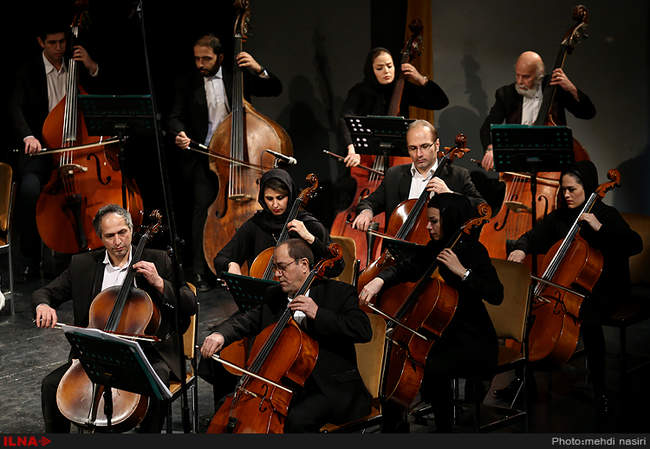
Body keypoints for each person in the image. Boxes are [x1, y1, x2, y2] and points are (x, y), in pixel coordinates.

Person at [33, 204, 197, 433]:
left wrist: (160, 283)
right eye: (110, 236)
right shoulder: (83, 265)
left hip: (147, 355)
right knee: (51, 385)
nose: (118, 241)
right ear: (100, 237)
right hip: (97, 354)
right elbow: (45, 292)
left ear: (131, 230)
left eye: (123, 232)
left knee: (155, 385)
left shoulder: (158, 260)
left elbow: (189, 303)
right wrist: (43, 305)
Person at [359, 193, 503, 432]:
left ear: (450, 220)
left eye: (434, 221)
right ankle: (395, 427)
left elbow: (496, 294)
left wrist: (463, 272)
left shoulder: (474, 251)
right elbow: (408, 267)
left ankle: (445, 430)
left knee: (432, 366)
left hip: (473, 339)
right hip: (440, 334)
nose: (427, 226)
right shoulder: (436, 247)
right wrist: (379, 280)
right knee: (393, 358)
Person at [507, 160, 642, 415]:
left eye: (572, 189)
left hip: (607, 288)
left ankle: (600, 389)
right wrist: (521, 248)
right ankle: (524, 381)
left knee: (589, 320)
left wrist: (600, 228)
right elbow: (534, 235)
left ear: (587, 188)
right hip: (572, 288)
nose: (566, 195)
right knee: (525, 311)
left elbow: (634, 244)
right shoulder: (561, 216)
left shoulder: (606, 215)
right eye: (563, 189)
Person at [200, 238, 372, 433]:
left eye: (282, 267)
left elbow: (363, 330)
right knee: (229, 409)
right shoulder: (275, 294)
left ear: (304, 265)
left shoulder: (338, 293)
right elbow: (247, 319)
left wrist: (318, 313)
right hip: (289, 386)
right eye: (275, 267)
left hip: (330, 387)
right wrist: (220, 335)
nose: (276, 274)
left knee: (295, 420)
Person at [166, 33, 282, 292]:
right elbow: (174, 117)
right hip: (208, 157)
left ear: (220, 57)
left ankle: (259, 264)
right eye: (197, 59)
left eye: (206, 59)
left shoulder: (237, 77)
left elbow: (274, 89)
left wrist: (258, 69)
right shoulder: (187, 82)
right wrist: (180, 133)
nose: (200, 64)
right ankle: (200, 272)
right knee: (202, 211)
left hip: (242, 158)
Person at [10, 21, 101, 280]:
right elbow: (15, 107)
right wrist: (28, 135)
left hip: (77, 146)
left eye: (62, 41)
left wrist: (91, 66)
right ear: (41, 42)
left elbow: (100, 94)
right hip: (42, 147)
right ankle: (29, 259)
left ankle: (89, 252)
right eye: (53, 43)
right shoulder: (28, 70)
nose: (59, 47)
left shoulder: (77, 64)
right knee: (29, 189)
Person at [352, 119, 484, 232]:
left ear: (437, 145)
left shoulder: (458, 175)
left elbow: (481, 208)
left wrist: (451, 195)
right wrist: (366, 212)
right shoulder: (394, 175)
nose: (419, 154)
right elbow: (369, 203)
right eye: (413, 148)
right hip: (397, 250)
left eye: (425, 146)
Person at [479, 50, 596, 171]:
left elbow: (588, 113)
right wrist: (490, 148)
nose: (519, 81)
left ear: (539, 75)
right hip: (519, 164)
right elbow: (486, 128)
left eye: (526, 77)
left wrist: (571, 88)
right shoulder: (506, 94)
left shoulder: (555, 88)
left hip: (552, 163)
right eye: (517, 75)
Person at [213, 168, 340, 277]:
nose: (275, 204)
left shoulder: (308, 224)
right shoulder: (256, 224)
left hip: (304, 295)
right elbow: (221, 258)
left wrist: (310, 238)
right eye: (269, 199)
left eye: (280, 198)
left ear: (290, 195)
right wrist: (231, 264)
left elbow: (337, 266)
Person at [339, 47, 449, 168]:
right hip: (368, 156)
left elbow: (441, 102)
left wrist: (420, 78)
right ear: (371, 70)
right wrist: (352, 148)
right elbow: (345, 118)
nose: (386, 71)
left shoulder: (403, 88)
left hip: (398, 155)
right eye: (379, 68)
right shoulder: (360, 91)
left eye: (389, 66)